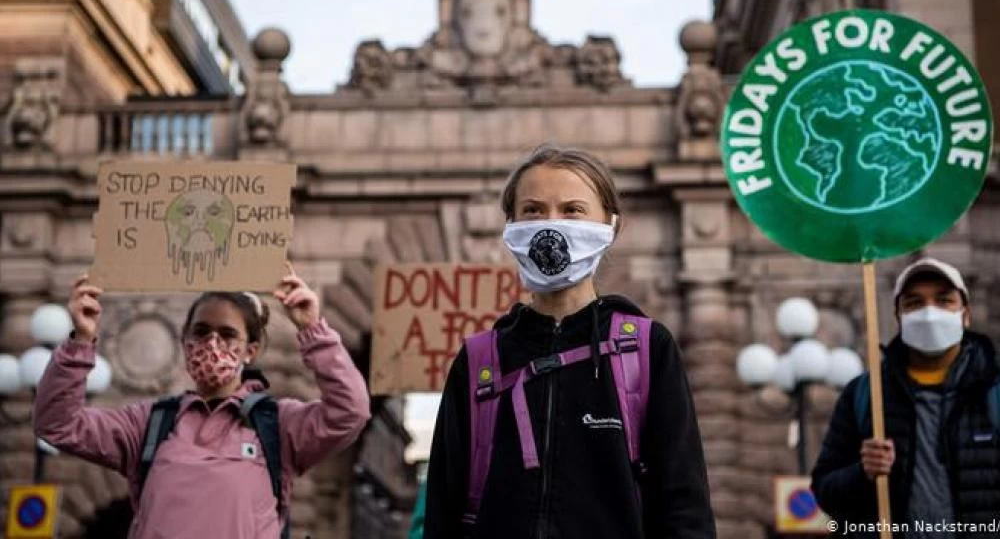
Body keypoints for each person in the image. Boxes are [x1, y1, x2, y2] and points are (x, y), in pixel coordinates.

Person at [423, 145, 715, 539]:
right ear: (510, 225)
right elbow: (443, 513)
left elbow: (685, 506)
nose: (552, 224)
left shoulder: (648, 349)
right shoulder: (479, 361)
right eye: (533, 210)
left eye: (572, 210)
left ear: (610, 225)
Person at [33, 265, 371, 539]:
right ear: (185, 342)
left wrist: (313, 331)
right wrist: (81, 340)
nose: (212, 343)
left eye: (227, 334)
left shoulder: (279, 425)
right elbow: (57, 424)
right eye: (201, 331)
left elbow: (350, 412)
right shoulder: (148, 423)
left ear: (251, 350)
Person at [812, 257, 1000, 537]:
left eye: (944, 300)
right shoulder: (865, 394)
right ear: (899, 317)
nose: (929, 313)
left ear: (965, 314)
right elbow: (825, 492)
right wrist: (863, 473)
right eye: (914, 303)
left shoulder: (993, 390)